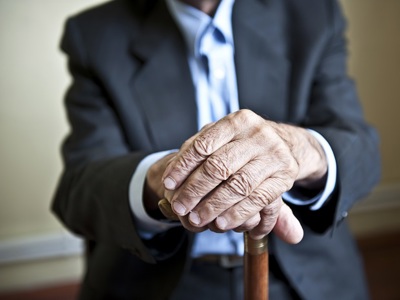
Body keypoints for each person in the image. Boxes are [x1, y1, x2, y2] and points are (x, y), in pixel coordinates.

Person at [52, 0, 381, 299]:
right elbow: (78, 191)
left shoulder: (312, 12)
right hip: (158, 280)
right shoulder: (95, 34)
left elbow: (361, 151)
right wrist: (164, 179)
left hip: (307, 275)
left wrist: (298, 149)